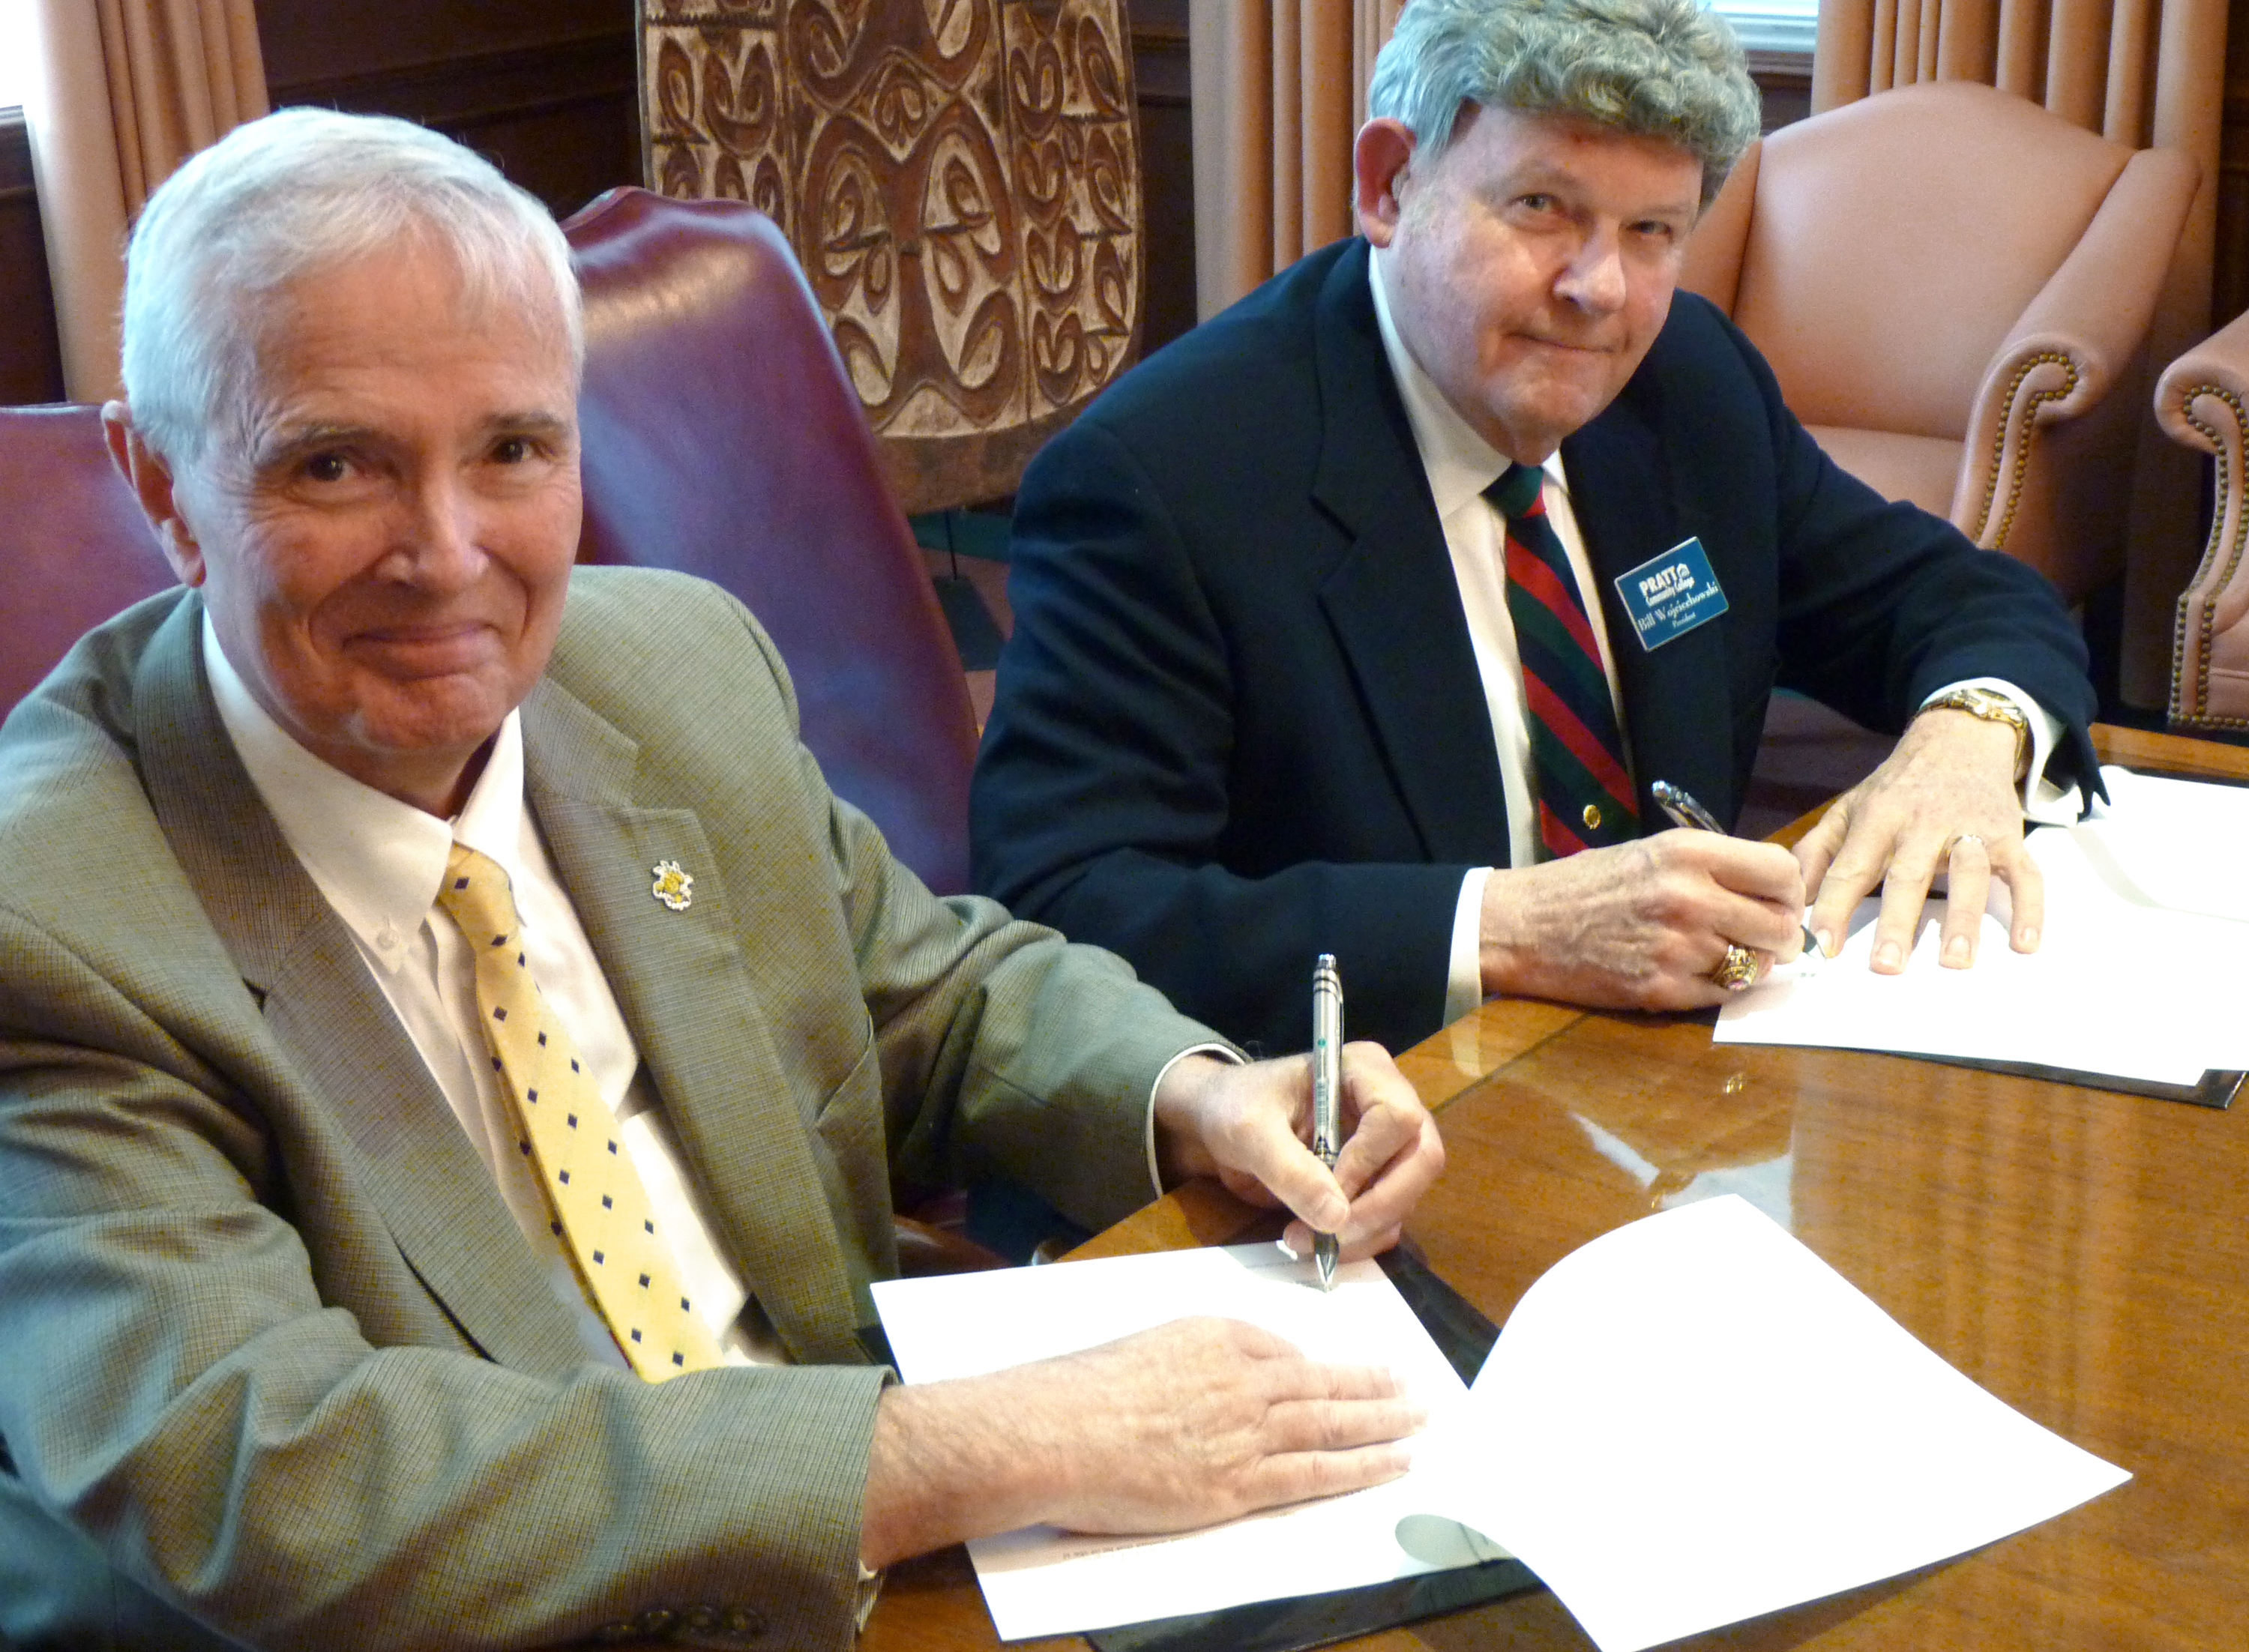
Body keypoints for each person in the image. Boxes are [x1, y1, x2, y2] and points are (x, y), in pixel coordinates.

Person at [0, 109, 1446, 1651]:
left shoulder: (668, 666)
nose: (446, 552)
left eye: (513, 450)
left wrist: (1194, 1093)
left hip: (893, 1557)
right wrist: (973, 1448)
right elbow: (273, 1475)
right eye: (336, 464)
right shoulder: (57, 917)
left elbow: (924, 991)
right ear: (159, 481)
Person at [969, 0, 2102, 1058]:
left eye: (1653, 229)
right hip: (1340, 1128)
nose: (1599, 287)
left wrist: (1968, 735)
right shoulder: (1164, 480)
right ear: (1389, 185)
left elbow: (1957, 598)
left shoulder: (1686, 385)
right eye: (1541, 208)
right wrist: (1502, 928)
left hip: (1666, 1091)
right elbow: (1069, 911)